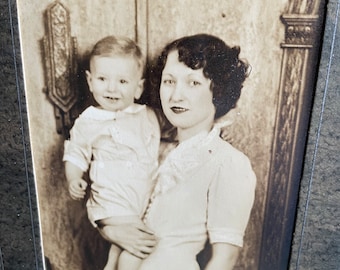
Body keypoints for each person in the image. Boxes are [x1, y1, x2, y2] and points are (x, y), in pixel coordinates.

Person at [100, 33, 257, 270]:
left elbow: (224, 260)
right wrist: (111, 230)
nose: (176, 95)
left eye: (193, 83)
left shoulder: (229, 163)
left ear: (218, 91)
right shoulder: (154, 150)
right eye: (169, 81)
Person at [63, 35, 160, 270]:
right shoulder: (88, 121)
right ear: (90, 81)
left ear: (138, 87)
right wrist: (74, 177)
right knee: (138, 245)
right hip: (111, 200)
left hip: (143, 199)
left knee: (124, 253)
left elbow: (171, 138)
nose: (111, 88)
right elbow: (76, 152)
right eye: (103, 78)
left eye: (123, 81)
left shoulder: (147, 115)